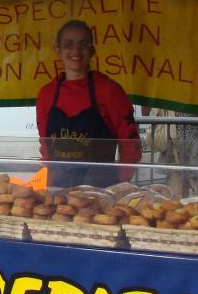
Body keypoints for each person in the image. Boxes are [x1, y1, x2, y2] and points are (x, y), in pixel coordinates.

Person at [36, 19, 141, 187]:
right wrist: (48, 187)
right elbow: (46, 147)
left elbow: (130, 145)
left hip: (101, 191)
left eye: (83, 44)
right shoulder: (46, 94)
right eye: (68, 44)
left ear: (91, 51)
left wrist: (119, 184)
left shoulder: (110, 91)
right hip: (59, 192)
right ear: (58, 49)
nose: (76, 51)